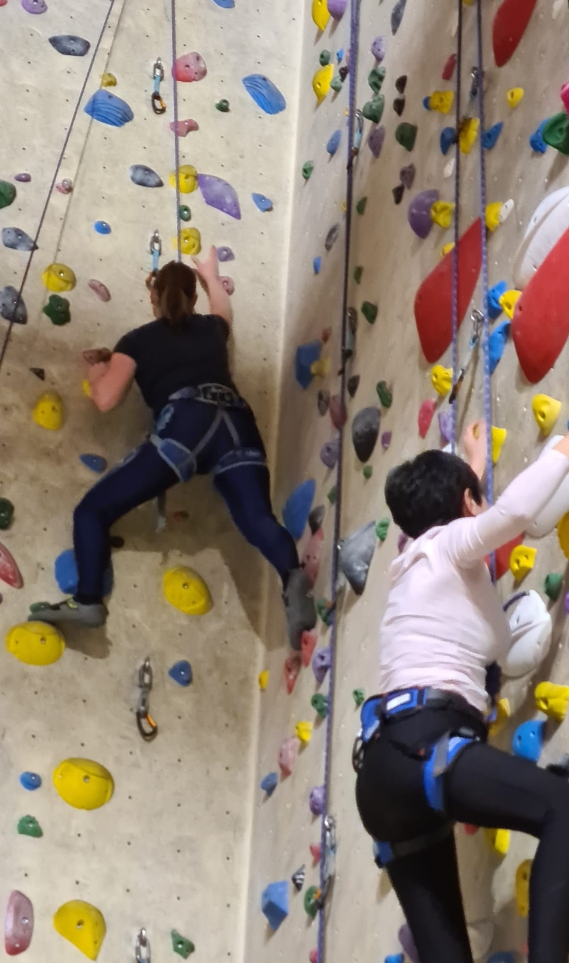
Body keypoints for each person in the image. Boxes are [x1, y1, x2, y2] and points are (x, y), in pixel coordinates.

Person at [353, 420, 569, 963]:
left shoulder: (415, 565)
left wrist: (473, 458)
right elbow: (511, 515)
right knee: (561, 806)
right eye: (476, 498)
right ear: (468, 504)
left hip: (384, 779)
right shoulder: (447, 545)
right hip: (424, 745)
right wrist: (564, 449)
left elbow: (466, 511)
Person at [34, 246, 316, 648]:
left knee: (92, 511)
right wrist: (209, 271)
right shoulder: (212, 328)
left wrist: (98, 369)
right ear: (193, 298)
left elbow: (106, 399)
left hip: (187, 422)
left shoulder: (136, 341)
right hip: (236, 421)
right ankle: (292, 578)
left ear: (152, 297)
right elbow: (222, 307)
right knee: (257, 518)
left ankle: (88, 600)